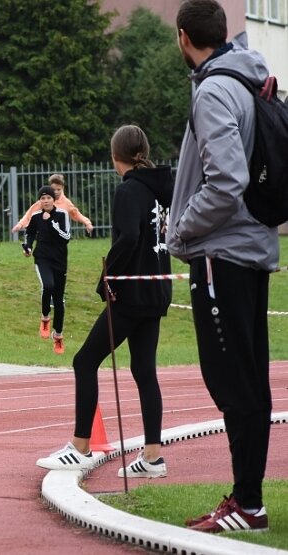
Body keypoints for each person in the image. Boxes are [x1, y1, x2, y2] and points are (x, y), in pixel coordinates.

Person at [167, 0, 277, 533]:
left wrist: (183, 229)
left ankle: (248, 502)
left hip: (222, 253)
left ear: (184, 38)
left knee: (233, 380)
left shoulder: (213, 89)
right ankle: (248, 499)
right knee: (251, 379)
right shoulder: (252, 80)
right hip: (252, 249)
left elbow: (226, 180)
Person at [36, 125, 173, 480]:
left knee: (85, 361)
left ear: (116, 157)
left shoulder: (130, 190)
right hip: (156, 288)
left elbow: (128, 236)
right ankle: (153, 458)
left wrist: (106, 277)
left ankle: (81, 446)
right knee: (143, 370)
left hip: (130, 291)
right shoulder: (163, 189)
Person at [21, 186, 71, 354]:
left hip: (60, 261)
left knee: (59, 301)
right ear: (40, 201)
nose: (45, 201)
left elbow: (66, 237)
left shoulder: (62, 214)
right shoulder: (35, 217)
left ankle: (57, 335)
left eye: (48, 197)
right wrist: (27, 247)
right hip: (42, 258)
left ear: (53, 199)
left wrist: (53, 223)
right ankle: (45, 317)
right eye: (42, 198)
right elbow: (30, 233)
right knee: (47, 286)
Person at [12, 174, 94, 235]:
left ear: (62, 188)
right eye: (54, 189)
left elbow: (76, 214)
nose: (56, 192)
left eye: (59, 189)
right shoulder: (44, 201)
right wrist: (20, 224)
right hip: (44, 235)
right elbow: (30, 214)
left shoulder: (66, 202)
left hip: (60, 237)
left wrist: (87, 223)